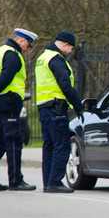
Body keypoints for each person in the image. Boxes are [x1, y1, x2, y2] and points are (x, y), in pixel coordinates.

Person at [0, 28, 38, 192]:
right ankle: (16, 181)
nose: (27, 49)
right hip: (8, 103)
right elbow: (6, 77)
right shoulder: (13, 55)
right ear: (22, 41)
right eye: (28, 45)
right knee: (13, 142)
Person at [35, 31, 85, 193]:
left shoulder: (43, 57)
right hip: (56, 108)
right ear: (65, 44)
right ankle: (55, 182)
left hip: (44, 107)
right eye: (71, 48)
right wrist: (79, 107)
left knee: (49, 147)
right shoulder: (56, 59)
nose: (70, 51)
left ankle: (48, 182)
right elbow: (65, 85)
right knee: (62, 146)